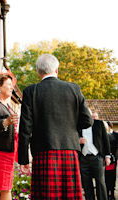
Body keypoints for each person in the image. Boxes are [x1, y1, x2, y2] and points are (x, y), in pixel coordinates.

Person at [18, 53, 93, 199]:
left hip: (43, 151)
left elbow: (25, 128)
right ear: (57, 69)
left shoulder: (31, 91)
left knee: (45, 196)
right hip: (69, 150)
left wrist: (23, 159)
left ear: (38, 71)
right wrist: (70, 125)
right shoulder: (74, 89)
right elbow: (87, 121)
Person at [79, 110, 111, 200]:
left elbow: (105, 140)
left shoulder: (99, 124)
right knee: (86, 183)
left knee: (100, 182)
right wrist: (78, 140)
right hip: (83, 158)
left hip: (97, 157)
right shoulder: (79, 125)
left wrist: (107, 156)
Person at [105, 121, 118, 200]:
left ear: (109, 127)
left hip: (113, 158)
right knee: (106, 176)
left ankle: (112, 194)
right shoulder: (104, 135)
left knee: (112, 176)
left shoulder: (116, 135)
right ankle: (106, 194)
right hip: (105, 158)